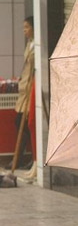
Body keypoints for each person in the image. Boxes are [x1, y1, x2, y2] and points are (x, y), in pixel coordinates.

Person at [11, 16, 35, 170]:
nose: (24, 30)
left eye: (26, 27)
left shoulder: (37, 45)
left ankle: (27, 160)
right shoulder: (29, 44)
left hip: (30, 90)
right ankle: (24, 159)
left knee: (24, 123)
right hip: (23, 89)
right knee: (19, 122)